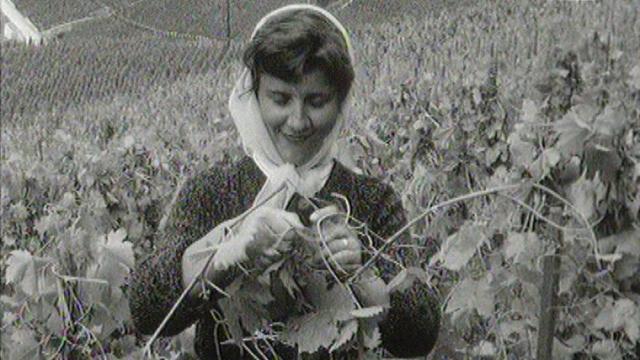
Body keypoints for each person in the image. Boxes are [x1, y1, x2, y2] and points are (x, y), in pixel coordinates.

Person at [128, 4, 440, 359]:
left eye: (316, 101)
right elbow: (146, 309)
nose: (297, 121)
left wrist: (362, 273)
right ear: (254, 97)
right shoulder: (212, 192)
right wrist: (227, 251)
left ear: (340, 103)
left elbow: (420, 336)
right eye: (280, 99)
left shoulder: (371, 200)